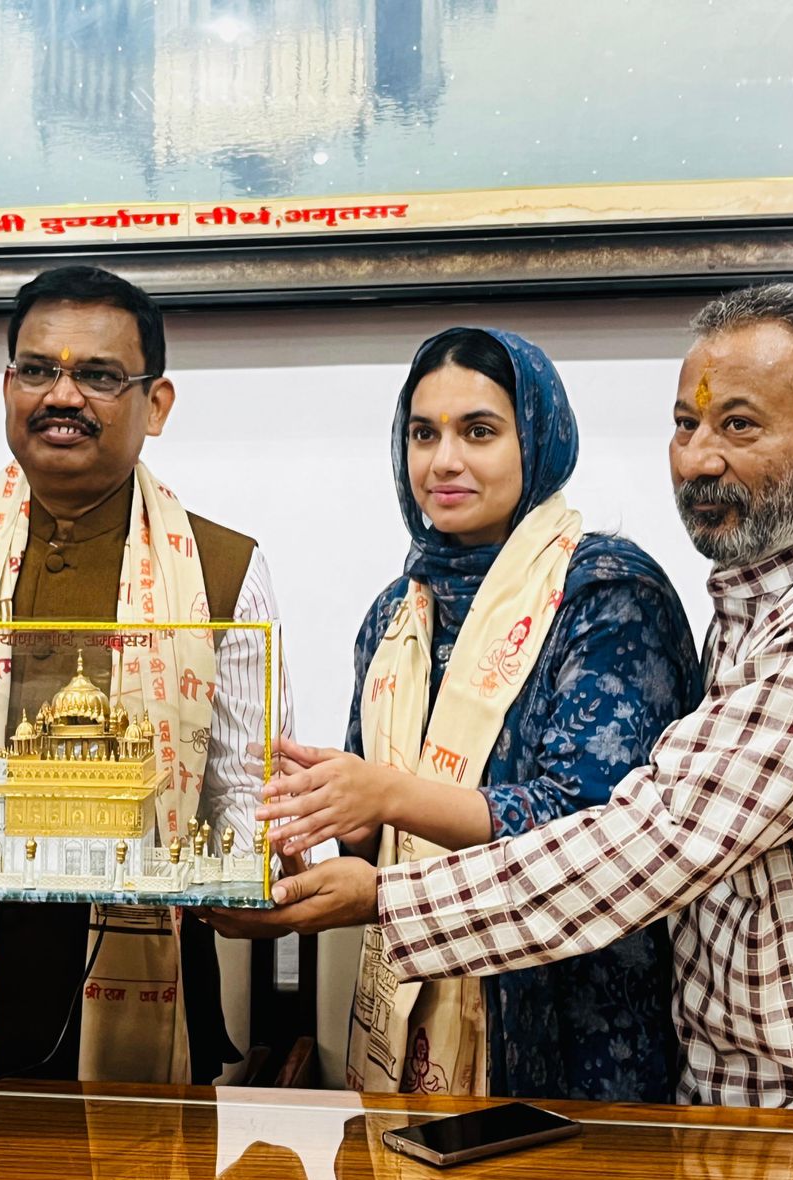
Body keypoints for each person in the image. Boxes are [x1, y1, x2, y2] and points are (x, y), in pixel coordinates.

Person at [249, 283, 793, 1114]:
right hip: (749, 1095)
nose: (698, 458)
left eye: (738, 425)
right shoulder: (758, 601)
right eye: (686, 424)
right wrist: (336, 834)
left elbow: (646, 838)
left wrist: (387, 893)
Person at [206, 328, 698, 1101]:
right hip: (408, 1012)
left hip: (569, 1028)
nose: (444, 462)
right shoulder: (397, 615)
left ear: (538, 438)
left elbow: (597, 830)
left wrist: (389, 795)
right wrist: (287, 834)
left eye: (479, 432)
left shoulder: (605, 595)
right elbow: (367, 839)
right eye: (422, 434)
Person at [0, 265, 286, 1084]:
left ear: (156, 404)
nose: (62, 396)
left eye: (98, 376)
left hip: (155, 990)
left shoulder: (223, 566)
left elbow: (249, 785)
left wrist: (239, 870)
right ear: (6, 387)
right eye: (37, 371)